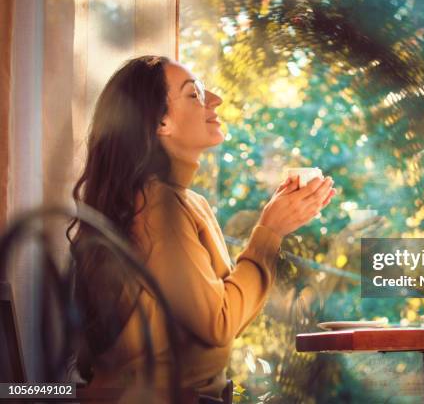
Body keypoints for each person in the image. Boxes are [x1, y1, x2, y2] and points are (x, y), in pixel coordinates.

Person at [67, 55, 336, 402]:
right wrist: (270, 230)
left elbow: (225, 317)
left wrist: (275, 224)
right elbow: (219, 326)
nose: (216, 100)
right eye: (194, 93)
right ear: (160, 122)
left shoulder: (189, 203)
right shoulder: (155, 206)